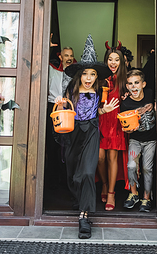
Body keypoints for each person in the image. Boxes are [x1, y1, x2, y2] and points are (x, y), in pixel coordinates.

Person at [59, 34, 113, 239]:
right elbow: (67, 110)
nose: (89, 78)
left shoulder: (99, 90)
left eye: (92, 74)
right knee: (73, 174)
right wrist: (61, 103)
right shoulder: (71, 89)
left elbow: (93, 111)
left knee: (88, 173)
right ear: (79, 75)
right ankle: (78, 197)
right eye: (85, 74)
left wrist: (102, 111)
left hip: (91, 131)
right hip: (73, 133)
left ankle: (84, 217)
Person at [97, 41, 128, 211]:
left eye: (117, 59)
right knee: (100, 157)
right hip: (101, 120)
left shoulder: (125, 79)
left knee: (112, 157)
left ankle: (111, 192)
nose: (113, 62)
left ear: (121, 62)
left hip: (116, 123)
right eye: (110, 59)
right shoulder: (99, 79)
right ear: (106, 61)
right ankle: (104, 182)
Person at [120, 69, 156, 212]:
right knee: (131, 166)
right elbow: (125, 125)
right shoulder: (126, 103)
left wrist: (153, 104)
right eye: (130, 84)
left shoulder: (150, 93)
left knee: (147, 168)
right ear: (127, 87)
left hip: (151, 140)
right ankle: (133, 194)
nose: (134, 86)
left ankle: (146, 198)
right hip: (135, 139)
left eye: (137, 83)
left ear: (143, 84)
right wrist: (128, 130)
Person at [46, 34, 75, 188]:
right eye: (66, 55)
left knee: (68, 147)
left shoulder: (76, 74)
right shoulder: (52, 70)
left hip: (70, 110)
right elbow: (39, 61)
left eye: (71, 55)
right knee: (52, 145)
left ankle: (66, 181)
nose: (69, 58)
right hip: (53, 108)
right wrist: (47, 47)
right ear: (61, 56)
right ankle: (51, 181)